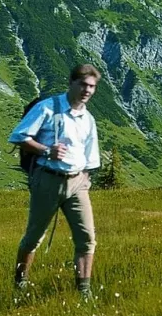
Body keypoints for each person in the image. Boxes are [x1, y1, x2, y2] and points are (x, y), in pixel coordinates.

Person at [9, 64, 102, 296]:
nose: (87, 90)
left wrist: (84, 180)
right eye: (83, 84)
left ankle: (84, 292)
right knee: (34, 237)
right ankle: (20, 284)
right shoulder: (47, 108)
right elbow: (18, 136)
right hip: (48, 179)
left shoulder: (88, 119)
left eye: (91, 86)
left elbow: (91, 158)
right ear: (71, 83)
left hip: (77, 182)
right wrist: (45, 150)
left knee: (87, 239)